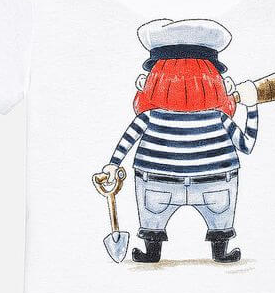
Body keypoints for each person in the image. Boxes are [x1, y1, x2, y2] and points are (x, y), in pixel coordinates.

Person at [97, 19, 260, 263]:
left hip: (157, 181)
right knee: (219, 221)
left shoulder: (150, 115)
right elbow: (246, 144)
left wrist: (113, 164)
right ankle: (220, 251)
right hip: (215, 182)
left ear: (152, 79)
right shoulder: (219, 116)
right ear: (214, 79)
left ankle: (152, 251)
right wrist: (252, 106)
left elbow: (129, 138)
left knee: (153, 221)